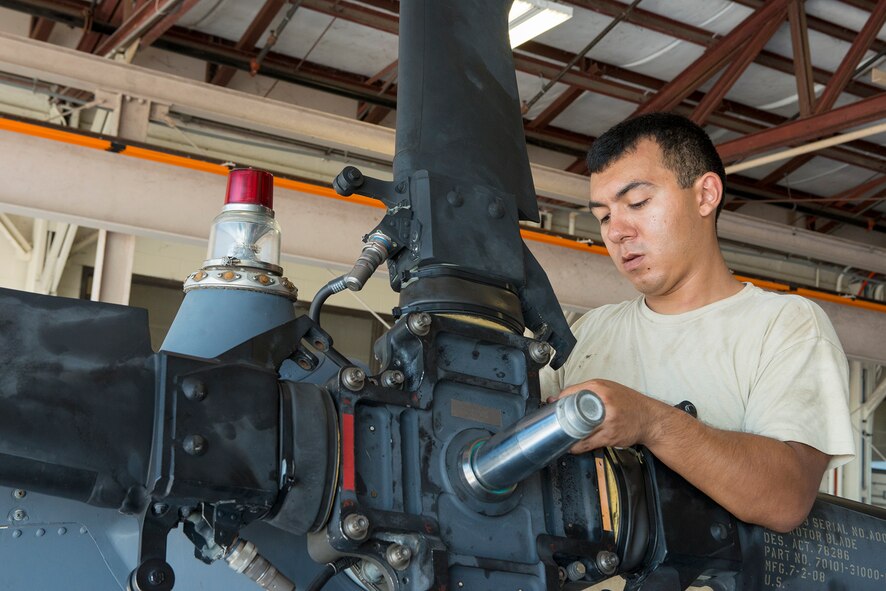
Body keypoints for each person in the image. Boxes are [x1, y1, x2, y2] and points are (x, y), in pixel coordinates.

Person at [541, 113, 854, 534]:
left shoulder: (783, 325)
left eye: (637, 203)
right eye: (603, 216)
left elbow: (786, 497)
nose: (616, 231)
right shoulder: (587, 333)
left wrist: (650, 421)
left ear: (705, 195)